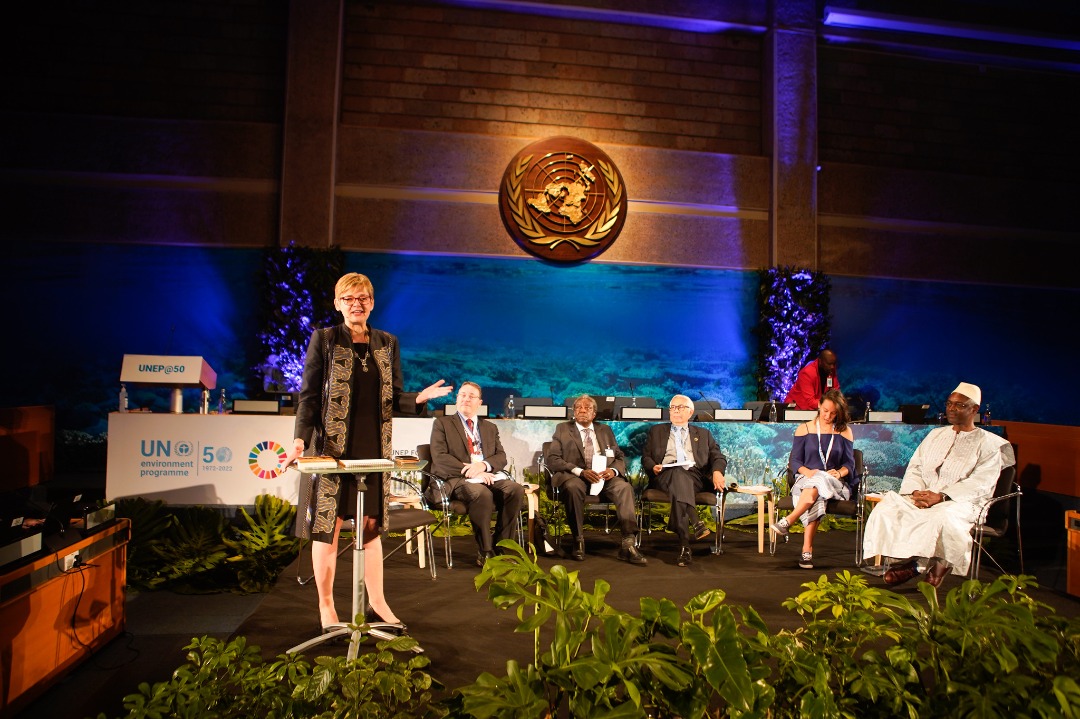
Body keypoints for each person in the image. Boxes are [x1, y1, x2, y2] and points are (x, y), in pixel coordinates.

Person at [282, 272, 453, 633]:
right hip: (330, 449)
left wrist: (417, 399)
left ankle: (378, 603)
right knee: (327, 529)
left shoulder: (387, 343)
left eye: (362, 298)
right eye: (349, 298)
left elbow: (393, 399)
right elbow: (309, 397)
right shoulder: (324, 340)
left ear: (372, 302)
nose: (356, 304)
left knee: (371, 527)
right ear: (337, 303)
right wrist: (299, 440)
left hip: (374, 448)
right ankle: (327, 607)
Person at [863, 382, 1015, 587]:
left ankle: (920, 567)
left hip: (962, 502)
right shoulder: (936, 435)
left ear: (974, 410)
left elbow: (981, 483)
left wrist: (941, 497)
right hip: (925, 495)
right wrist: (916, 492)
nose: (952, 409)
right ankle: (910, 562)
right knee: (888, 508)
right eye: (949, 404)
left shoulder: (989, 444)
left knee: (943, 517)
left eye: (959, 405)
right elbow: (916, 466)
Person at [428, 381, 525, 567]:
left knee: (516, 490)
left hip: (485, 475)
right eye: (462, 395)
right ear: (456, 399)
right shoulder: (442, 424)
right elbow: (440, 458)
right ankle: (485, 550)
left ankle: (501, 546)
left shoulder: (490, 427)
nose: (465, 399)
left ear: (479, 402)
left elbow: (501, 456)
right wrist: (472, 472)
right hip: (456, 479)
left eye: (471, 396)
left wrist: (484, 465)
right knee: (482, 493)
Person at [544, 394, 646, 565]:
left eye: (587, 408)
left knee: (624, 487)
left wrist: (613, 470)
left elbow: (619, 456)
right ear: (573, 412)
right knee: (572, 488)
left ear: (594, 414)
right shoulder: (562, 429)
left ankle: (628, 543)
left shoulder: (604, 430)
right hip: (575, 476)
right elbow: (553, 459)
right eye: (578, 408)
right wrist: (580, 471)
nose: (582, 410)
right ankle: (578, 539)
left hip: (603, 477)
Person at [771, 389, 856, 570]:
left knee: (820, 481)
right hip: (807, 478)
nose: (828, 416)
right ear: (819, 405)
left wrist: (839, 473)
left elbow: (850, 463)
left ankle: (788, 521)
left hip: (833, 481)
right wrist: (808, 473)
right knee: (816, 489)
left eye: (833, 413)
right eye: (825, 410)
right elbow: (794, 461)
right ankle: (806, 551)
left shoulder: (844, 431)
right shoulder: (805, 428)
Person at [642, 394, 728, 567]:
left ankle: (686, 543)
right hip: (664, 475)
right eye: (672, 407)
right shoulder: (657, 431)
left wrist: (717, 472)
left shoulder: (704, 434)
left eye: (680, 407)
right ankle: (691, 530)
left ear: (691, 412)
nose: (675, 411)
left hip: (695, 477)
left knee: (681, 478)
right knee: (676, 472)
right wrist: (653, 467)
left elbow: (718, 457)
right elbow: (646, 457)